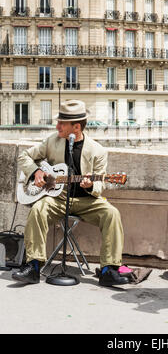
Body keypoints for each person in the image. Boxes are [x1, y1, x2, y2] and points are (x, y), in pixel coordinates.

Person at [12, 100, 129, 286]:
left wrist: (90, 185)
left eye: (62, 123)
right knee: (38, 210)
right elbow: (24, 156)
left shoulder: (98, 151)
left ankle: (109, 270)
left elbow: (99, 188)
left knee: (112, 213)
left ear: (76, 126)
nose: (57, 126)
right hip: (58, 198)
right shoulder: (52, 141)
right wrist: (36, 172)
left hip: (86, 202)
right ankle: (33, 267)